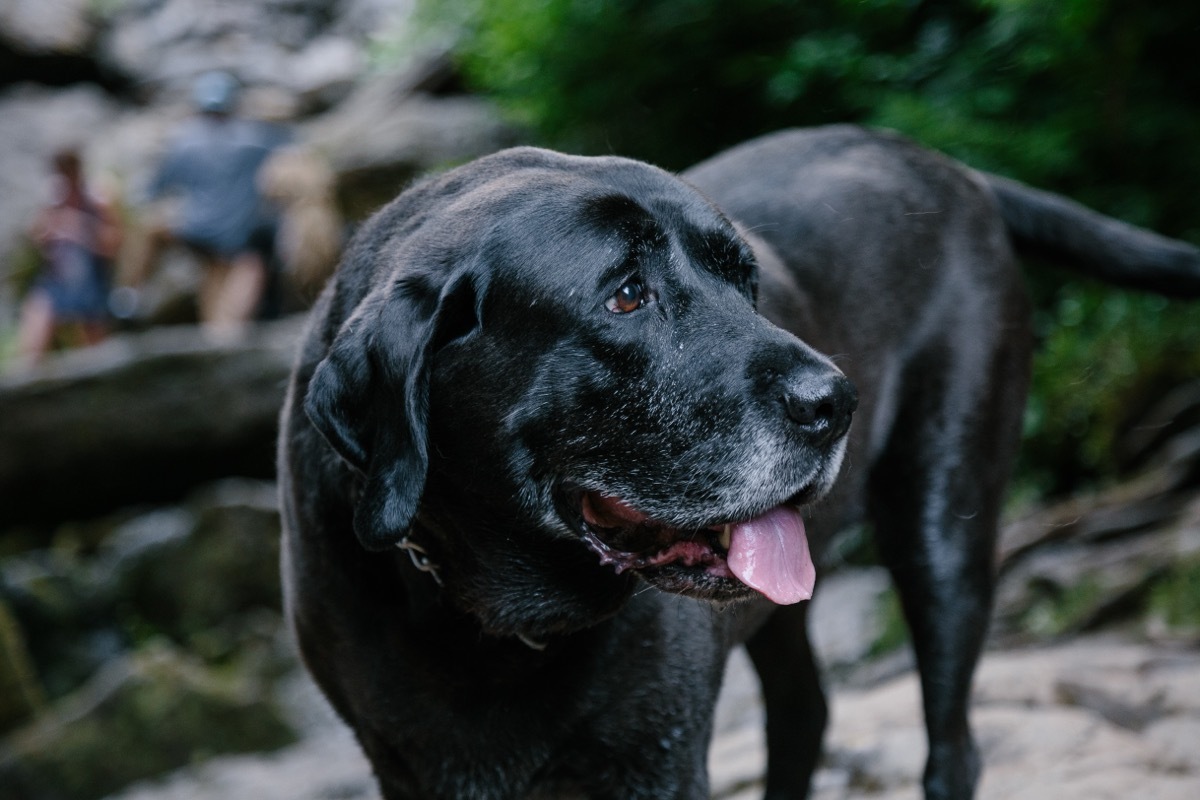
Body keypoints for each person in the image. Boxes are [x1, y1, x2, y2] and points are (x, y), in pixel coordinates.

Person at [127, 71, 288, 335]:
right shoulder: (258, 138)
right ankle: (223, 336)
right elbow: (291, 152)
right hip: (236, 239)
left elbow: (152, 191)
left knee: (153, 227)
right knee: (233, 278)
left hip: (195, 231)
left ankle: (132, 293)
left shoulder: (184, 140)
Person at [15, 147, 122, 367]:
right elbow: (36, 236)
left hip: (91, 281)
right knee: (31, 348)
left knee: (94, 356)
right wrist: (44, 232)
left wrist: (79, 228)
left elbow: (114, 243)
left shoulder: (97, 197)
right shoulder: (53, 197)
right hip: (56, 278)